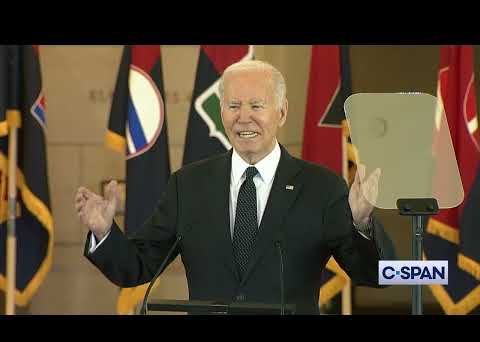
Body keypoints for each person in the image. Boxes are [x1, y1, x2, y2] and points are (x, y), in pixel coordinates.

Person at [75, 60, 396, 314]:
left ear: (281, 112)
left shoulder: (321, 187)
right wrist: (105, 233)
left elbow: (374, 275)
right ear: (221, 111)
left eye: (257, 106)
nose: (244, 118)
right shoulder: (187, 185)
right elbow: (137, 267)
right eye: (233, 106)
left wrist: (361, 222)